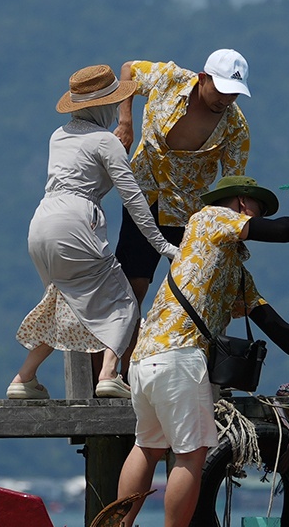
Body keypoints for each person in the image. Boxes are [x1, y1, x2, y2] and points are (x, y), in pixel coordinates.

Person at [116, 176, 289, 527]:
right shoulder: (209, 217)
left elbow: (278, 329)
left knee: (147, 448)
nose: (256, 219)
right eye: (256, 210)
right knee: (190, 456)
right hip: (181, 357)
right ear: (244, 204)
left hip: (144, 358)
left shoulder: (230, 268)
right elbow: (280, 232)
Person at [9, 65, 177, 400]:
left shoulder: (58, 136)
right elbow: (134, 200)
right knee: (124, 300)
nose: (116, 109)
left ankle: (23, 379)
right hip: (75, 225)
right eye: (113, 103)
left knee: (65, 303)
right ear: (102, 106)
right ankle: (109, 373)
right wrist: (163, 245)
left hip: (41, 225)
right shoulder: (105, 142)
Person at [112, 50, 253, 308]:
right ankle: (121, 347)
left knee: (192, 292)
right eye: (221, 90)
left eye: (233, 93)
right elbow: (128, 70)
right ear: (203, 78)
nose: (225, 99)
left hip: (186, 210)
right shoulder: (170, 80)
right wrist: (125, 121)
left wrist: (234, 227)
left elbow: (232, 185)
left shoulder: (236, 128)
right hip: (143, 195)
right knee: (131, 286)